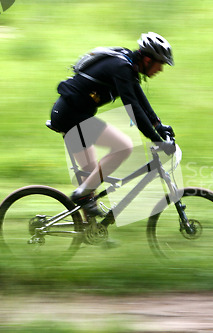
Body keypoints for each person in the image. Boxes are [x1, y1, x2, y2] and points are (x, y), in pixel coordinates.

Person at [49, 32, 176, 217]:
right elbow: (133, 108)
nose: (161, 69)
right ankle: (82, 196)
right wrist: (156, 140)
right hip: (71, 117)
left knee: (91, 180)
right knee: (123, 146)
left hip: (71, 115)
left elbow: (140, 100)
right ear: (148, 59)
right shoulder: (121, 67)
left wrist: (158, 125)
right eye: (160, 64)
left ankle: (89, 233)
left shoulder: (127, 66)